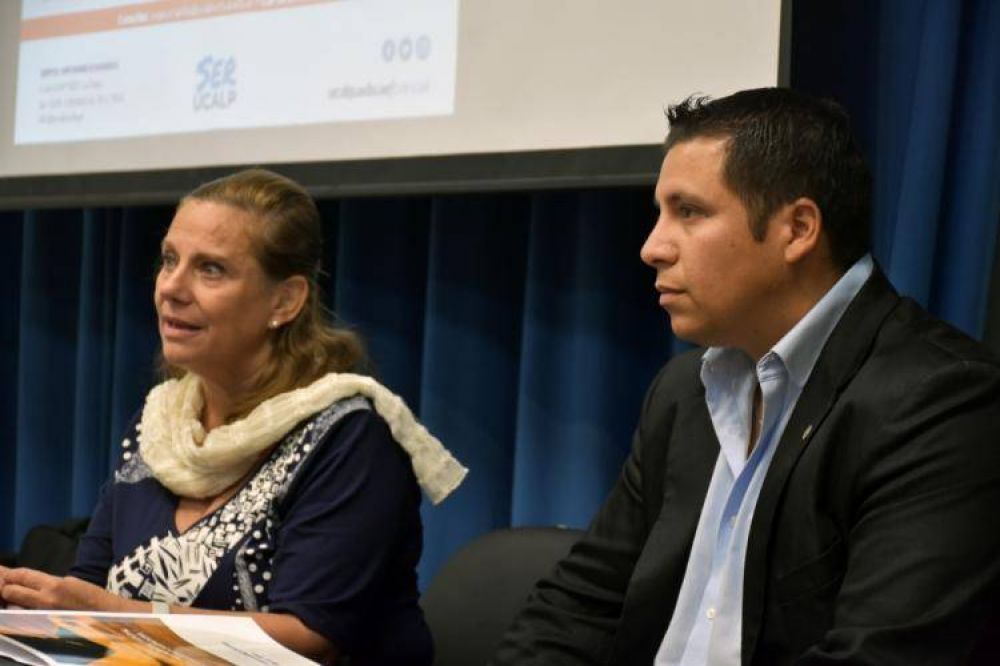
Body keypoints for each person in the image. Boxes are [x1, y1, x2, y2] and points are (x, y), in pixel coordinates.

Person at [492, 88, 1000, 665]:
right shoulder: (683, 393)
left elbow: (882, 654)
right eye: (660, 213)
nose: (652, 247)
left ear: (798, 229)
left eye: (689, 212)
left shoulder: (942, 401)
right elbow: (580, 605)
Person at [0, 169, 467, 665]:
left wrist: (113, 612)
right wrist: (30, 604)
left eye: (211, 270)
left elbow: (311, 635)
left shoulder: (348, 439)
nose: (171, 289)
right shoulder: (162, 424)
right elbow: (90, 582)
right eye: (169, 261)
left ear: (284, 301)